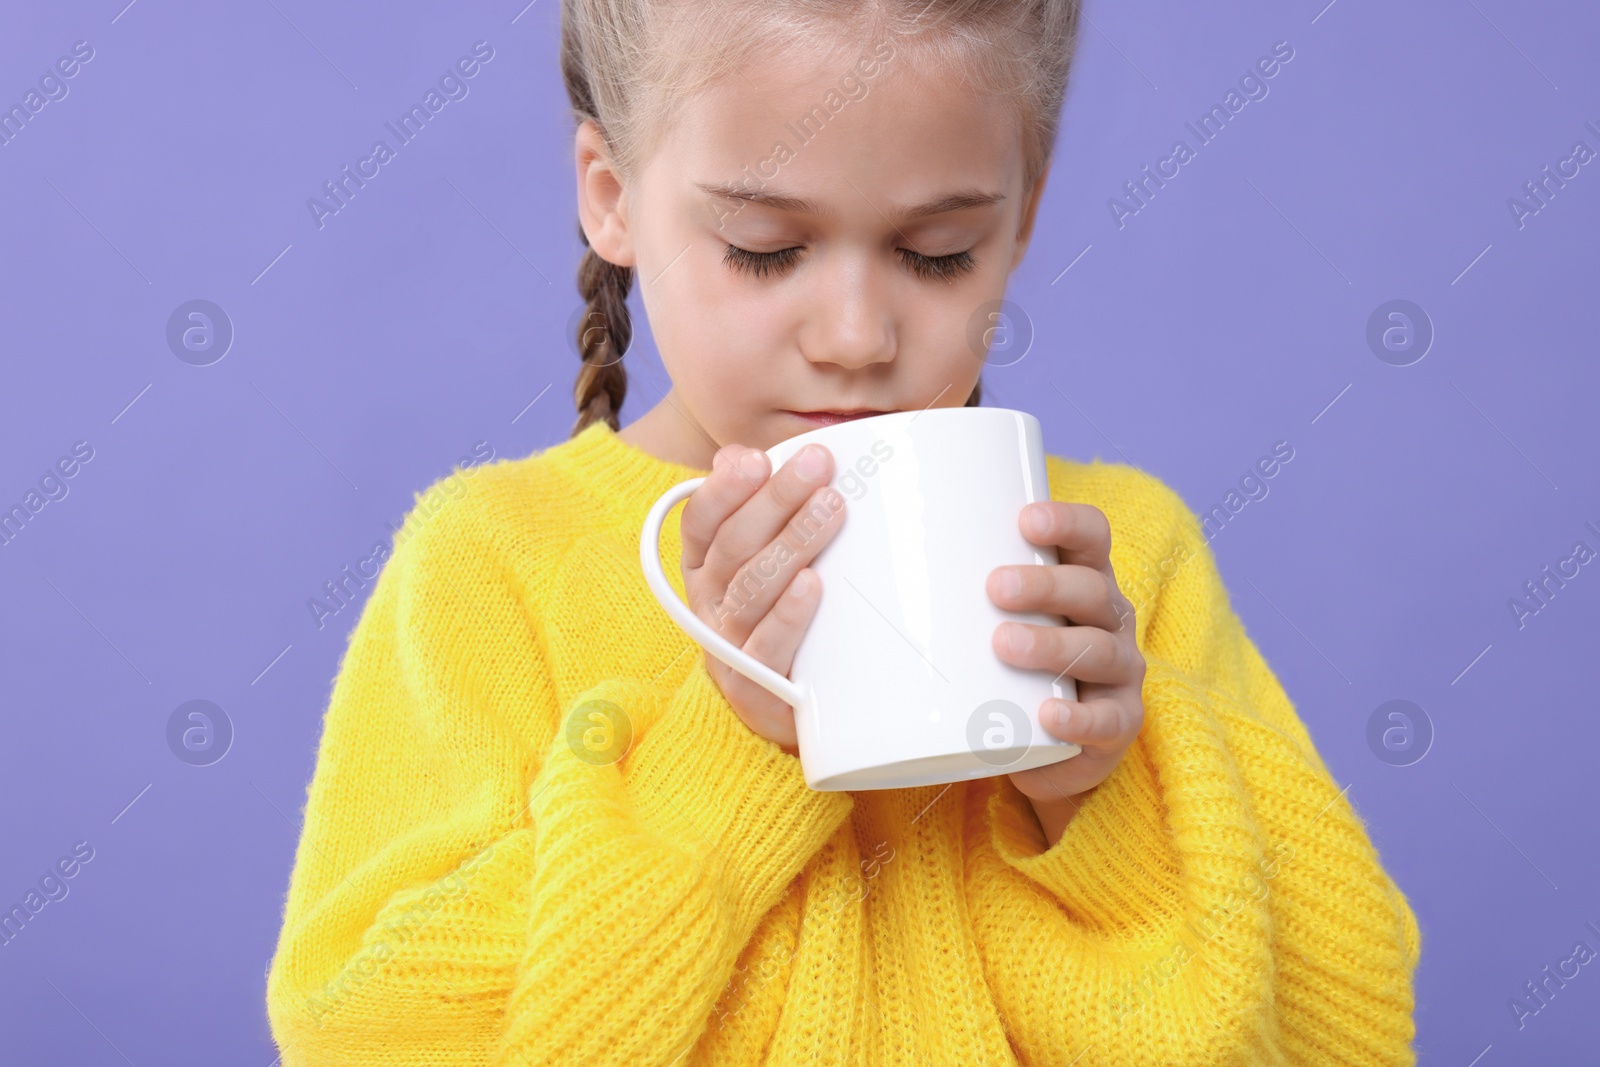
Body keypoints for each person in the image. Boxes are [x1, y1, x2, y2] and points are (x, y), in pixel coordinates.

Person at [265, 1, 1421, 1063]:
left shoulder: (1123, 559)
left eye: (936, 254)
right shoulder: (494, 562)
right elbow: (368, 1032)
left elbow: (1336, 1032)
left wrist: (1095, 798)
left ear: (1022, 213)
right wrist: (721, 758)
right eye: (766, 248)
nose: (859, 336)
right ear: (611, 196)